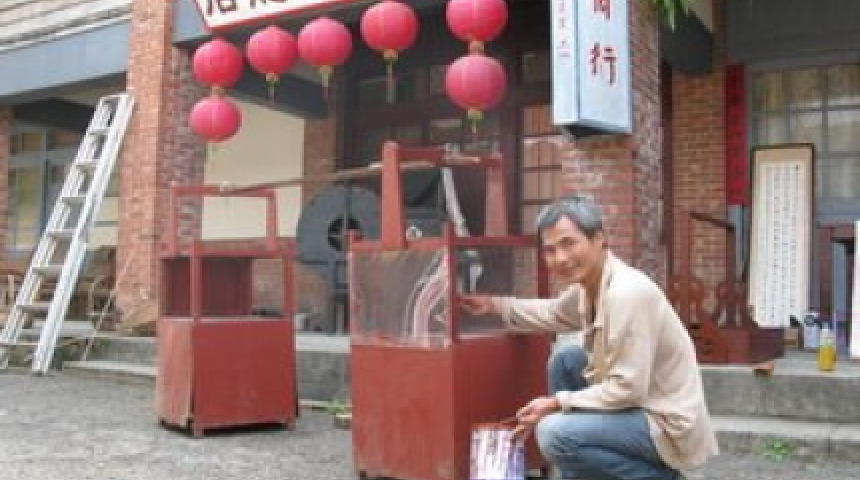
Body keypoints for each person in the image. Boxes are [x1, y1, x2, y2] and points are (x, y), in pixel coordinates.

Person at [460, 196, 717, 480]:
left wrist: (556, 403)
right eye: (550, 250)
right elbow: (552, 313)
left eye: (569, 243)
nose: (561, 258)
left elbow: (628, 389)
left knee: (554, 433)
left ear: (599, 239)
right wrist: (495, 305)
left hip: (663, 421)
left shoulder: (626, 293)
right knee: (566, 361)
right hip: (634, 407)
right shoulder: (589, 287)